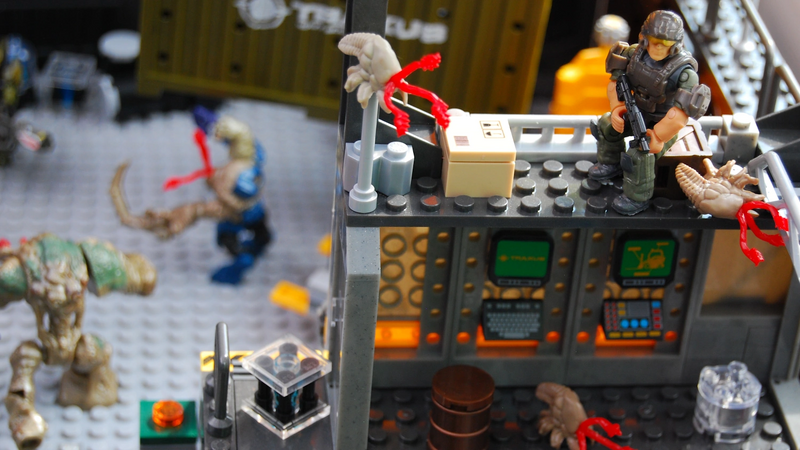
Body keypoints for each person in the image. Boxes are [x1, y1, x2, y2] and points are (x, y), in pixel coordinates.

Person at [588, 10, 711, 215]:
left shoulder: (684, 73)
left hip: (662, 123)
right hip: (634, 110)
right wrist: (617, 107)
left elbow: (679, 114)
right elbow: (615, 83)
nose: (659, 47)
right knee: (606, 124)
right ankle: (610, 163)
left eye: (666, 43)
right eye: (654, 41)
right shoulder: (632, 55)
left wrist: (659, 136)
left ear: (675, 44)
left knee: (641, 152)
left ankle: (638, 197)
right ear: (644, 38)